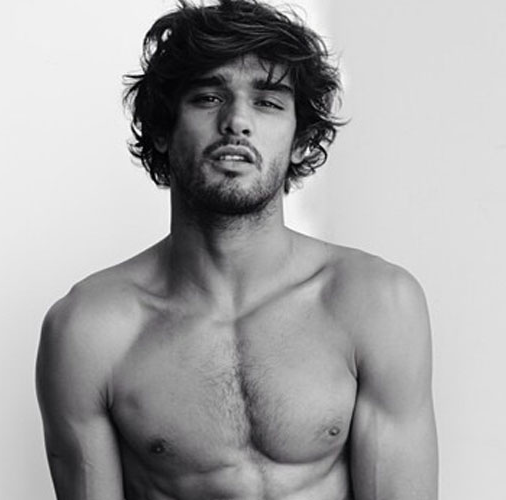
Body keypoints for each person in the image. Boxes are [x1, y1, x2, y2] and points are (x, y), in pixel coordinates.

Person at [35, 0, 438, 498]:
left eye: (268, 102)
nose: (237, 122)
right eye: (208, 97)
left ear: (301, 140)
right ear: (161, 131)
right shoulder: (90, 330)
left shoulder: (376, 303)